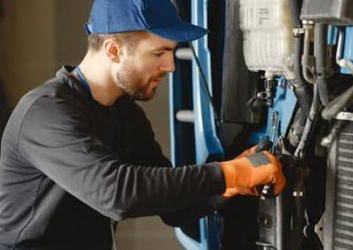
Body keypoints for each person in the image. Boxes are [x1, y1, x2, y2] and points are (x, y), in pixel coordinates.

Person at [0, 0, 286, 249]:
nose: (171, 66)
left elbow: (173, 207)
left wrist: (231, 185)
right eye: (159, 53)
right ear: (113, 50)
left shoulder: (123, 112)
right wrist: (228, 173)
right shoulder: (46, 112)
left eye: (172, 52)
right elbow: (117, 194)